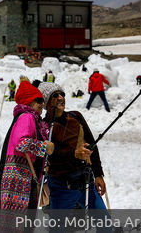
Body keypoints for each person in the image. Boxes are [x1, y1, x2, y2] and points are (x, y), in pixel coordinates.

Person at [38, 82, 109, 232]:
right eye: (55, 95)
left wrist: (98, 174)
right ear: (46, 102)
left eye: (62, 94)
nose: (61, 97)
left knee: (105, 223)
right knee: (58, 229)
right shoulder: (44, 126)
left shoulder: (76, 116)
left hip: (86, 180)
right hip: (61, 186)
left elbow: (92, 145)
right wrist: (73, 153)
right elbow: (49, 156)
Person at [0, 80, 54, 232]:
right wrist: (44, 147)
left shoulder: (25, 116)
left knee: (11, 222)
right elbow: (21, 143)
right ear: (28, 101)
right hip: (18, 178)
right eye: (38, 100)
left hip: (18, 175)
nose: (41, 104)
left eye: (42, 100)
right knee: (16, 223)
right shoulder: (27, 117)